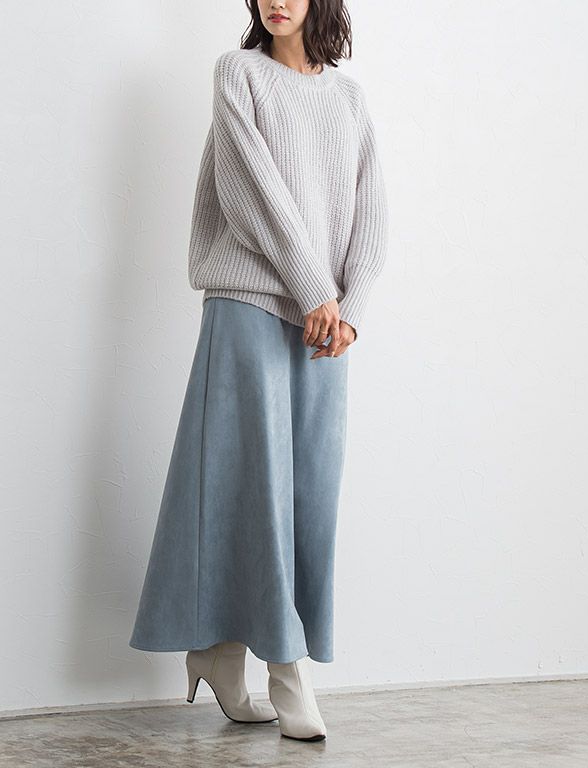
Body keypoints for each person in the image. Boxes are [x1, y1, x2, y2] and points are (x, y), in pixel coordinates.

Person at [128, 0, 388, 743]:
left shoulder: (349, 99)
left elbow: (372, 212)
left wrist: (348, 310)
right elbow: (252, 194)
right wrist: (316, 291)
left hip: (325, 324)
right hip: (250, 305)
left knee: (310, 496)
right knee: (251, 490)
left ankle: (219, 650)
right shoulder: (238, 74)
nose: (277, 0)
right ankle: (284, 667)